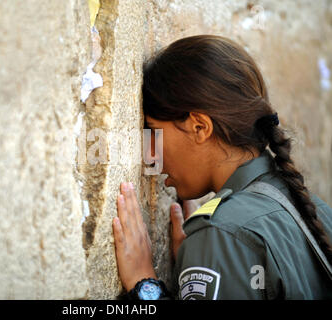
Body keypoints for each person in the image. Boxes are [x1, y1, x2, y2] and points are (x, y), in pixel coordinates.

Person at [112, 35, 332, 300]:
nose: (149, 155)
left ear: (199, 127)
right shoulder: (316, 210)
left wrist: (145, 286)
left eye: (153, 132)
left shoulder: (223, 233)